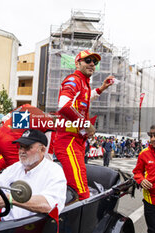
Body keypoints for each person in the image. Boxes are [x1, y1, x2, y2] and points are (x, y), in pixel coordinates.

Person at [53, 50, 114, 200]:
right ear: (77, 63)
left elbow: (84, 99)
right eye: (88, 60)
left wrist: (102, 88)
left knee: (80, 187)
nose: (92, 64)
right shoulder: (74, 80)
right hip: (68, 142)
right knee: (80, 192)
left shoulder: (83, 83)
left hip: (77, 141)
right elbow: (64, 105)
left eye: (95, 61)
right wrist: (86, 124)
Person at [0, 129, 67, 221]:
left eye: (27, 147)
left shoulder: (54, 171)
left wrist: (10, 199)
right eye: (20, 147)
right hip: (6, 224)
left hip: (33, 227)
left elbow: (49, 204)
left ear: (42, 149)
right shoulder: (15, 168)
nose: (22, 151)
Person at [0, 104, 54, 171]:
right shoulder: (51, 125)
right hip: (11, 141)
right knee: (21, 173)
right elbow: (47, 156)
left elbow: (4, 119)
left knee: (7, 159)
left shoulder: (27, 107)